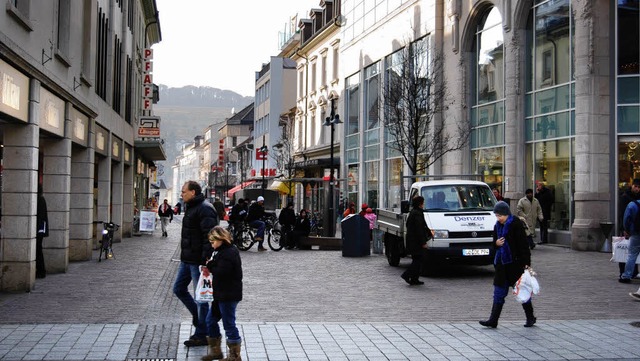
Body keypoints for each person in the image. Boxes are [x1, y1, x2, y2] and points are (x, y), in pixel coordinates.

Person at [173, 181, 218, 347]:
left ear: (193, 192)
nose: (182, 194)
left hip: (198, 261)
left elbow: (211, 235)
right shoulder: (191, 207)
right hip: (187, 259)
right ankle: (199, 319)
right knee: (178, 289)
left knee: (201, 298)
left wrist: (205, 260)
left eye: (184, 191)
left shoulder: (204, 208)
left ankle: (202, 333)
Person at [479, 201, 535, 328]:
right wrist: (496, 244)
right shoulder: (497, 226)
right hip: (501, 265)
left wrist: (526, 265)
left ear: (506, 214)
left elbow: (523, 247)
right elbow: (494, 243)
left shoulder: (515, 224)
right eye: (497, 216)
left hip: (515, 266)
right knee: (498, 293)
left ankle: (530, 317)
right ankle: (493, 320)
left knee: (522, 291)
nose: (498, 218)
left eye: (500, 215)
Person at [202, 226, 243, 361]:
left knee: (228, 324)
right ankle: (216, 351)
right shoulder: (219, 250)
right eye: (210, 241)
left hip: (228, 294)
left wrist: (210, 265)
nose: (211, 243)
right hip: (220, 294)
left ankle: (234, 356)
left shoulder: (229, 252)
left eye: (213, 240)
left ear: (221, 239)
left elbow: (222, 272)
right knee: (210, 321)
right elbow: (210, 258)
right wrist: (209, 262)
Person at [401, 196, 432, 286]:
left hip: (413, 240)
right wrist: (423, 243)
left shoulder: (413, 212)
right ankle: (406, 275)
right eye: (423, 202)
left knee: (417, 259)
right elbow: (419, 229)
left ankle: (415, 279)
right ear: (420, 203)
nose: (424, 204)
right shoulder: (417, 214)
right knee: (418, 260)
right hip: (416, 242)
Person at [619, 179, 640, 277]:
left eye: (639, 187)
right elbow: (622, 215)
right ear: (632, 185)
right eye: (635, 186)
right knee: (626, 252)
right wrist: (624, 229)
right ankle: (624, 272)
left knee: (632, 253)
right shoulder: (624, 197)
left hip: (634, 230)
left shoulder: (632, 202)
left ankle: (630, 273)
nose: (637, 189)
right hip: (631, 230)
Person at [36, 185, 49, 279]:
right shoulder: (41, 199)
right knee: (38, 250)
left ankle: (41, 271)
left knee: (38, 250)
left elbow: (40, 217)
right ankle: (40, 270)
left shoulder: (40, 200)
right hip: (40, 230)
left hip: (39, 230)